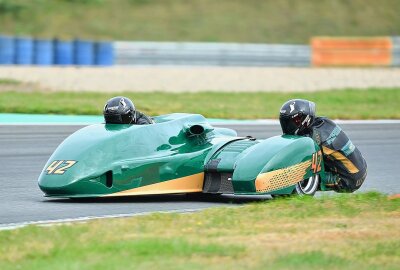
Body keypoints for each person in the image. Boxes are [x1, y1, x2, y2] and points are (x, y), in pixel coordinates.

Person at [279, 99, 367, 193]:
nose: (288, 126)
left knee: (296, 178)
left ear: (305, 119)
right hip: (360, 166)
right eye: (285, 122)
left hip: (350, 179)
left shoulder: (314, 137)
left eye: (292, 122)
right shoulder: (322, 122)